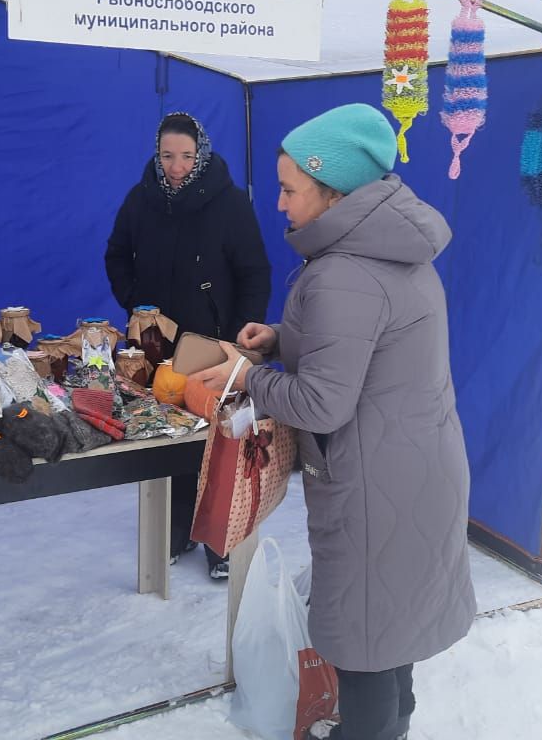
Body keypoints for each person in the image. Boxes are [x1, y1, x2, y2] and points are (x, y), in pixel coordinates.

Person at [191, 104, 475, 740]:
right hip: (418, 467)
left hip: (376, 486)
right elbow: (367, 341)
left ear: (333, 189)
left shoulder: (342, 273)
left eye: (291, 190)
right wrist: (285, 338)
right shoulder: (390, 247)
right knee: (390, 635)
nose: (282, 205)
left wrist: (244, 375)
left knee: (364, 648)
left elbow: (321, 403)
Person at [105, 111, 271, 580]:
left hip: (214, 343)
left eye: (185, 156)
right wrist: (136, 305)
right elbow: (116, 254)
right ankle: (175, 532)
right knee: (169, 436)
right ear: (156, 156)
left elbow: (254, 273)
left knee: (220, 440)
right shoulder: (141, 200)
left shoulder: (230, 203)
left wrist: (239, 334)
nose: (176, 166)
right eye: (167, 156)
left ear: (201, 154)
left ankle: (221, 542)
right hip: (158, 345)